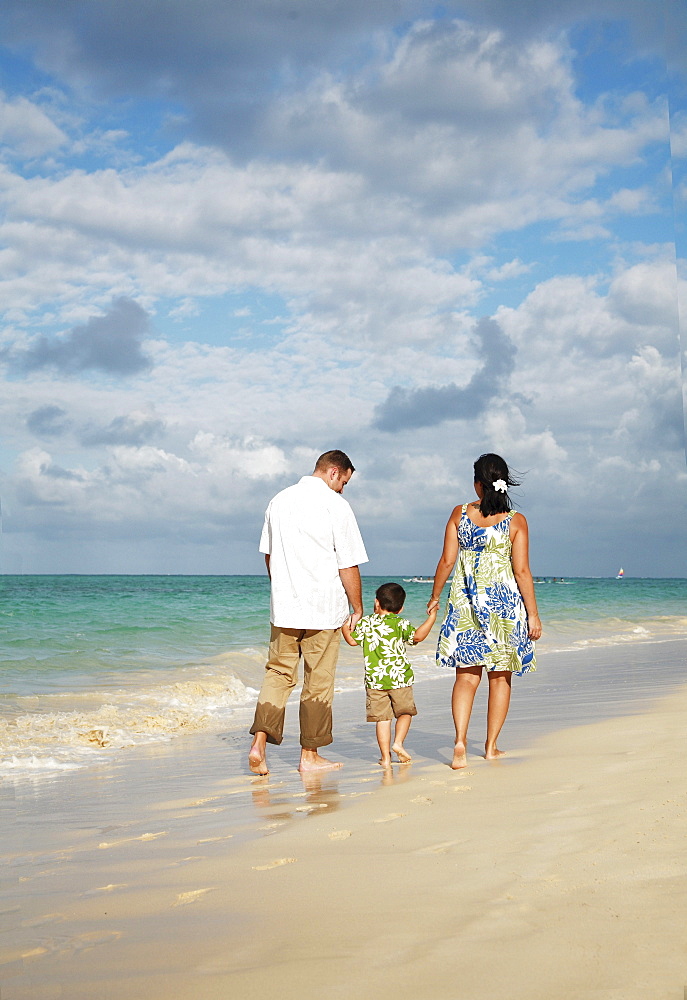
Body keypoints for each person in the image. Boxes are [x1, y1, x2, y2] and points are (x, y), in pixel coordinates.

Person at [248, 450, 368, 775]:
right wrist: (357, 607)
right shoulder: (336, 506)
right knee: (318, 680)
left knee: (277, 674)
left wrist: (283, 591)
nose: (343, 488)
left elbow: (269, 556)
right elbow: (348, 563)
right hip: (324, 609)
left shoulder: (278, 501)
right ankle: (309, 756)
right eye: (344, 481)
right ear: (333, 472)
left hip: (284, 608)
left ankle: (259, 744)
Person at [427, 453, 542, 769]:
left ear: (478, 483)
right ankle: (490, 747)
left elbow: (447, 562)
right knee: (500, 677)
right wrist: (533, 614)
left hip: (464, 604)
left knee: (465, 677)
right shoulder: (515, 521)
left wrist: (435, 596)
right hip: (504, 608)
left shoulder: (459, 513)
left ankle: (460, 740)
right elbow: (522, 571)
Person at [342, 582, 437, 766]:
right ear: (400, 609)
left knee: (382, 719)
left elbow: (352, 642)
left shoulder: (366, 623)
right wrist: (432, 618)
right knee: (405, 712)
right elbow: (417, 637)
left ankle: (385, 758)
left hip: (375, 681)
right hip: (400, 678)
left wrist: (345, 625)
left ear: (376, 603)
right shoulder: (401, 623)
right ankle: (398, 743)